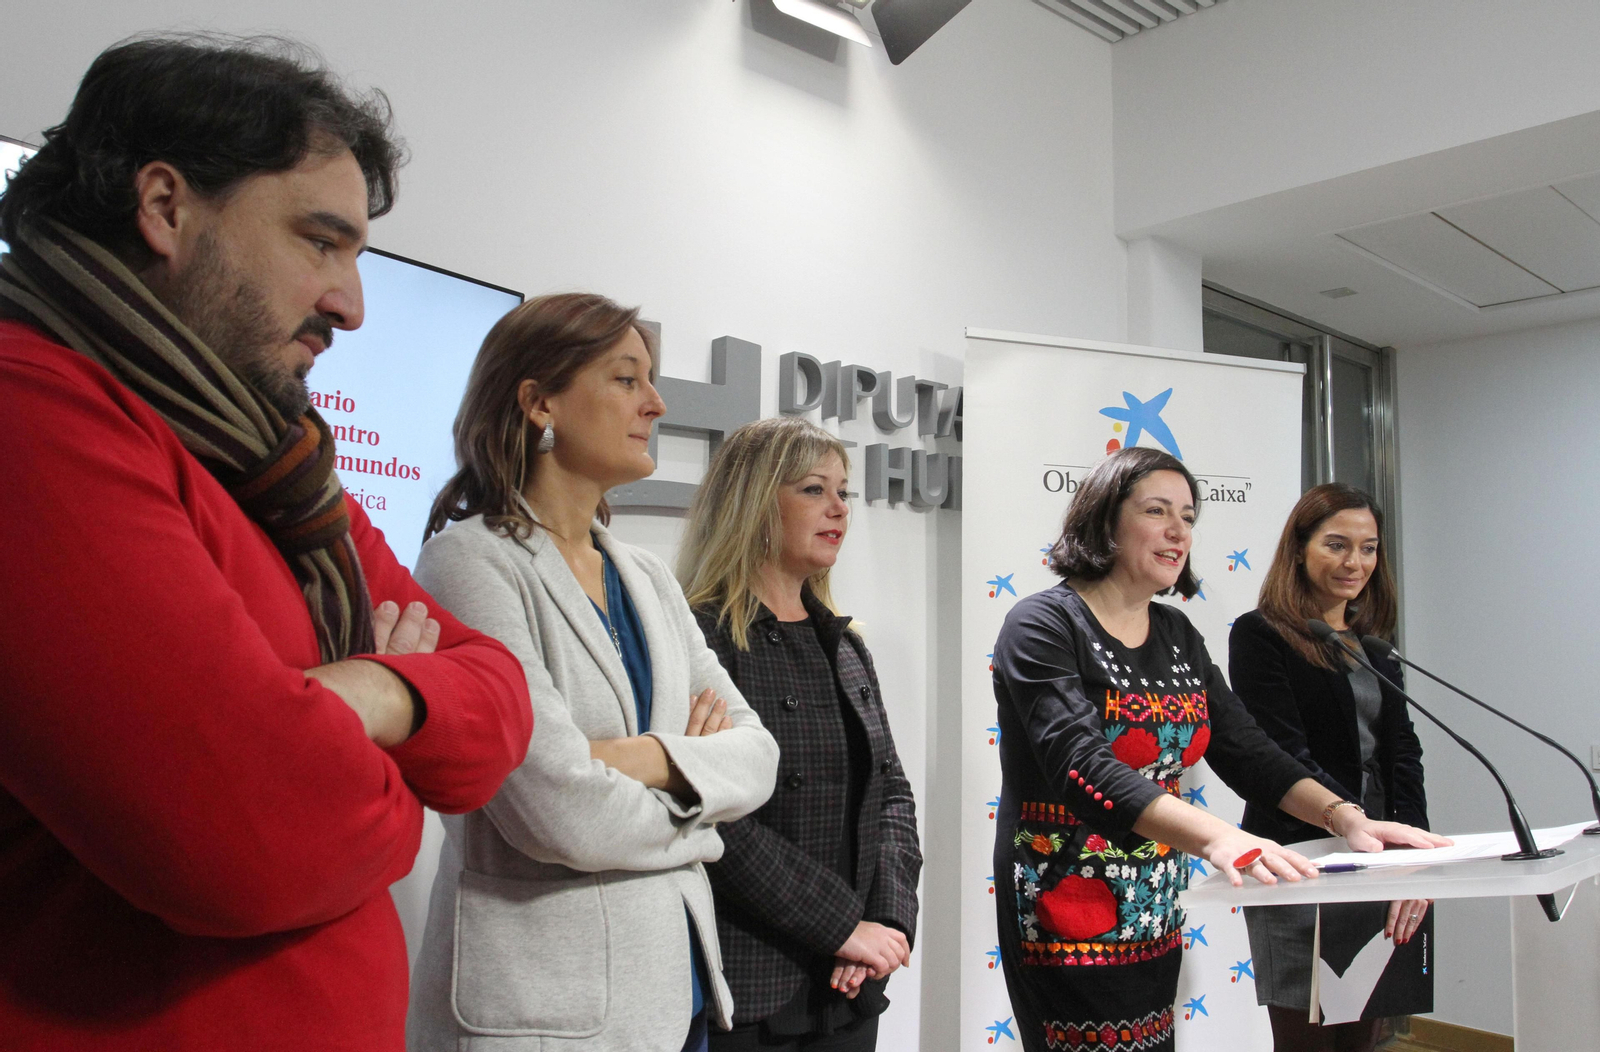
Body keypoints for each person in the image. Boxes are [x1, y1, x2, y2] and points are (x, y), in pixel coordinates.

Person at [0, 35, 533, 1051]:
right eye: (318, 242)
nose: (353, 303)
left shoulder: (269, 462)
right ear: (165, 207)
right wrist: (397, 786)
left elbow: (498, 698)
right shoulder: (31, 411)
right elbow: (251, 836)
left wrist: (376, 693)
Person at [406, 293, 780, 1052]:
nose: (656, 402)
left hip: (676, 995)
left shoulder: (646, 575)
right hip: (540, 1014)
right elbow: (555, 810)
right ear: (539, 402)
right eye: (626, 379)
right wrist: (701, 810)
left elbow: (758, 754)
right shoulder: (469, 562)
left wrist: (636, 758)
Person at [988, 447, 1447, 1052]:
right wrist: (1219, 836)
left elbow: (1249, 751)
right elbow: (1082, 763)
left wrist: (1345, 818)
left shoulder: (1176, 633)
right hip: (1066, 894)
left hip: (1153, 894)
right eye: (1158, 511)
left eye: (1188, 516)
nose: (1179, 531)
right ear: (1105, 521)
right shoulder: (1044, 624)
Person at [677, 417, 922, 1051]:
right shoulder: (700, 640)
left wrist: (887, 923)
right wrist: (840, 926)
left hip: (848, 983)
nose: (839, 508)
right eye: (814, 489)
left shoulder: (845, 645)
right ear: (754, 501)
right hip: (748, 984)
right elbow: (711, 818)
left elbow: (891, 795)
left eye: (844, 491)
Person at [1229, 484, 1428, 1052]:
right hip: (1302, 859)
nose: (1355, 563)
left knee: (1365, 1037)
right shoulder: (1261, 634)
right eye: (1337, 545)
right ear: (1299, 548)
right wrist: (1351, 821)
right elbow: (1280, 752)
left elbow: (1402, 754)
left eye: (1368, 548)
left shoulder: (1376, 649)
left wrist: (1414, 857)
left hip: (1382, 860)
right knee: (1308, 1038)